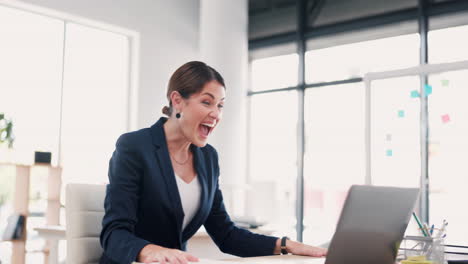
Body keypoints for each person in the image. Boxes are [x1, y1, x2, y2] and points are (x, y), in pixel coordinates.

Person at [99, 61, 327, 264]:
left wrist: (287, 245)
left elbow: (226, 235)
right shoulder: (135, 146)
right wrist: (147, 251)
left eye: (220, 105)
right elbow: (114, 233)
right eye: (207, 102)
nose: (216, 114)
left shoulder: (208, 157)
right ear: (177, 101)